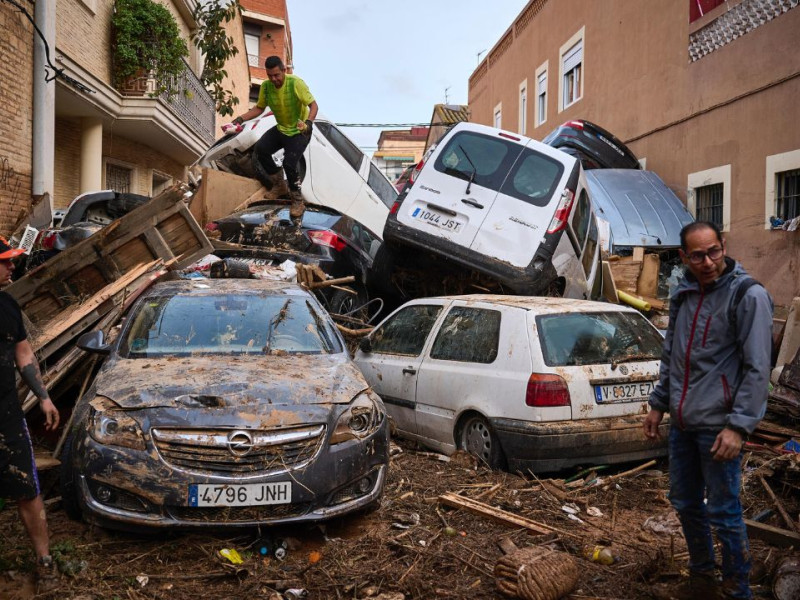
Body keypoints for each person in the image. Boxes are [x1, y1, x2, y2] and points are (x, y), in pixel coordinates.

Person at [644, 221, 773, 600]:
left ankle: (737, 591)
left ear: (724, 246)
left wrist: (739, 427)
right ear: (683, 257)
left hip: (720, 427)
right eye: (697, 255)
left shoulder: (747, 296)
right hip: (683, 423)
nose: (707, 262)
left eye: (714, 251)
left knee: (724, 512)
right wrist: (658, 403)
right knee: (685, 504)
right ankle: (702, 580)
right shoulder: (683, 293)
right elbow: (673, 356)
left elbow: (757, 369)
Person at [0, 236, 61, 592]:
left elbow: (23, 354)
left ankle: (44, 561)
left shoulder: (7, 304)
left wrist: (43, 396)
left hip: (6, 415)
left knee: (27, 488)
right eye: (6, 261)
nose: (12, 266)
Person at [231, 55, 318, 221]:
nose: (274, 79)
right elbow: (259, 108)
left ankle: (297, 201)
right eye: (270, 76)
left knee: (289, 164)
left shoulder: (295, 83)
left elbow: (313, 105)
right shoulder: (266, 87)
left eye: (277, 75)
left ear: (284, 70)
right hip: (282, 129)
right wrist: (241, 118)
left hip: (300, 131)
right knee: (261, 149)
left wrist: (308, 122)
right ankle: (279, 184)